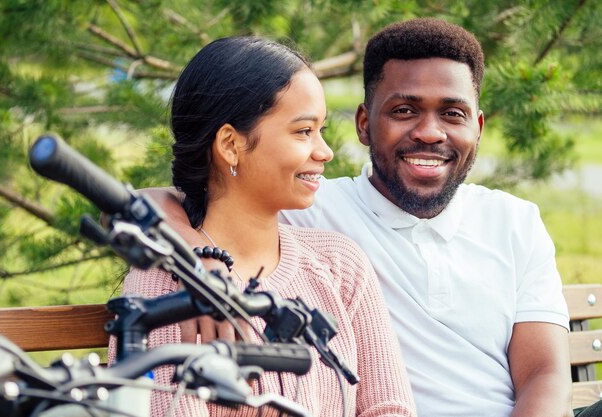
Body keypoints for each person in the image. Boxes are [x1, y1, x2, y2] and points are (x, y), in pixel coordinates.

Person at [148, 18, 602, 417]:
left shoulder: (513, 221)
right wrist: (200, 261)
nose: (429, 132)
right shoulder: (315, 209)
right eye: (404, 111)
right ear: (365, 123)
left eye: (452, 113)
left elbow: (546, 376)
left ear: (477, 127)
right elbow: (159, 201)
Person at [111, 36, 417, 417]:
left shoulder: (339, 265)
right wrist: (193, 260)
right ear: (229, 144)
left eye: (320, 130)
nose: (325, 151)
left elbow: (389, 409)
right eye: (303, 131)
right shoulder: (167, 282)